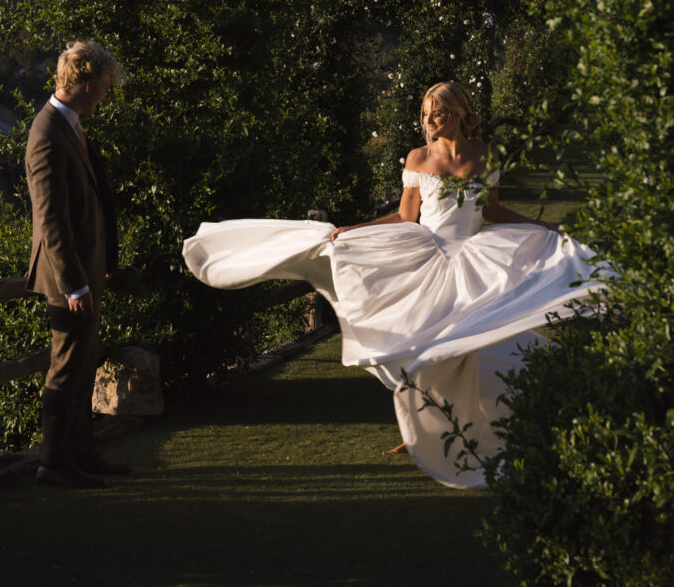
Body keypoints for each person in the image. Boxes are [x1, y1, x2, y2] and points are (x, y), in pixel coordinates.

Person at [183, 80, 602, 488]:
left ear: (455, 114)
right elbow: (406, 217)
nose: (427, 122)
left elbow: (493, 214)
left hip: (475, 260)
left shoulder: (485, 156)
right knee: (421, 341)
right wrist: (355, 229)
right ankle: (420, 426)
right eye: (424, 114)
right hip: (428, 256)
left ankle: (464, 423)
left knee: (466, 344)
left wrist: (545, 228)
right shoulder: (418, 158)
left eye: (435, 114)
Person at [26, 39, 129, 489]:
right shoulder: (46, 133)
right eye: (105, 86)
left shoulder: (69, 125)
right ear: (86, 83)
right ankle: (54, 464)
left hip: (85, 271)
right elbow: (51, 218)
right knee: (65, 369)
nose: (107, 95)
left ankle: (82, 452)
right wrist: (72, 284)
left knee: (83, 365)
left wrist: (101, 262)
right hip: (67, 278)